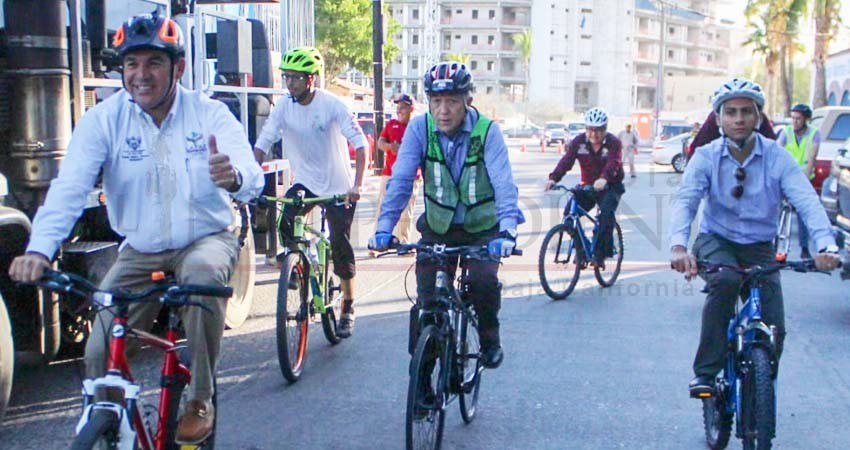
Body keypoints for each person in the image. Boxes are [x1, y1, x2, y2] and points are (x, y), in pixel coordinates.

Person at [7, 12, 263, 444]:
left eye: (153, 63)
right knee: (98, 351)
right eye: (131, 64)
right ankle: (111, 423)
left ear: (178, 68)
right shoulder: (104, 120)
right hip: (141, 249)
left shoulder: (210, 114)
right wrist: (38, 250)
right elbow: (68, 189)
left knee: (202, 279)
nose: (141, 75)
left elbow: (251, 174)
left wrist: (234, 177)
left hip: (205, 235)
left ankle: (200, 396)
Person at [668, 78, 840, 396]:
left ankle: (760, 388)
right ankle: (706, 373)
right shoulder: (706, 156)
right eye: (730, 112)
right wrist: (679, 246)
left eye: (746, 111)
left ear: (758, 117)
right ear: (718, 118)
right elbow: (687, 201)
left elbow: (807, 201)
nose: (738, 119)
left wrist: (826, 245)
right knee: (726, 282)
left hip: (761, 247)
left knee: (775, 326)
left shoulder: (777, 157)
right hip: (716, 240)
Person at [368, 61, 525, 368]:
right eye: (436, 101)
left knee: (482, 282)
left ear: (467, 100)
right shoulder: (419, 128)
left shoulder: (487, 132)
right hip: (438, 228)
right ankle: (423, 383)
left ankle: (490, 338)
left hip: (482, 229)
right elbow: (400, 182)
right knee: (427, 304)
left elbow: (504, 185)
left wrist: (507, 231)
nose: (443, 110)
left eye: (452, 101)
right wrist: (384, 228)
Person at [253, 46, 368, 338]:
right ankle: (299, 265)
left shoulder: (332, 105)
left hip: (339, 186)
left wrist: (357, 185)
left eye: (295, 78)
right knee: (285, 222)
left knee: (340, 243)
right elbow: (264, 142)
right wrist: (252, 176)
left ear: (311, 79)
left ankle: (349, 305)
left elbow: (361, 144)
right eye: (286, 77)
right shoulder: (284, 107)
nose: (290, 83)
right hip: (306, 181)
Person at [544, 107, 625, 268]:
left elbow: (613, 163)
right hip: (588, 186)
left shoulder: (614, 143)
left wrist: (604, 179)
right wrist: (553, 178)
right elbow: (567, 161)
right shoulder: (579, 142)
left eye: (598, 130)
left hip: (610, 186)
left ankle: (600, 255)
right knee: (569, 216)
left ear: (605, 129)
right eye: (590, 130)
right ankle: (581, 251)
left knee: (605, 216)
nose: (594, 134)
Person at [369, 93, 419, 257]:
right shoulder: (391, 125)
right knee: (383, 208)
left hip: (412, 176)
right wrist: (391, 147)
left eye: (403, 107)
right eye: (398, 107)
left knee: (407, 211)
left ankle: (404, 243)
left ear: (411, 108)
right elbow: (380, 143)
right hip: (390, 173)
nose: (400, 111)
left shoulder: (416, 127)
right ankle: (377, 243)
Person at [776, 103, 822, 259]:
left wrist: (800, 183)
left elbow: (811, 160)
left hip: (803, 178)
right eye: (793, 118)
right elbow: (777, 153)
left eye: (798, 119)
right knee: (772, 206)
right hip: (784, 177)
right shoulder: (786, 132)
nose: (794, 122)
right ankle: (770, 243)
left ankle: (804, 248)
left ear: (806, 119)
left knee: (804, 211)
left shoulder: (814, 134)